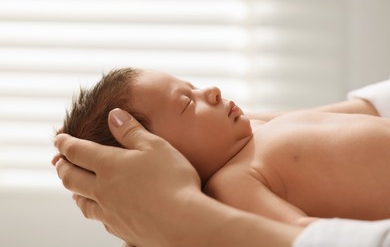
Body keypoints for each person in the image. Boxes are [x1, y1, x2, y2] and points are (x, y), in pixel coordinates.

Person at [52, 77, 390, 247]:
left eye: (194, 87)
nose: (211, 91)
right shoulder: (234, 183)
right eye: (187, 103)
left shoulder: (256, 129)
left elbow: (368, 113)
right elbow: (298, 233)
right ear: (167, 160)